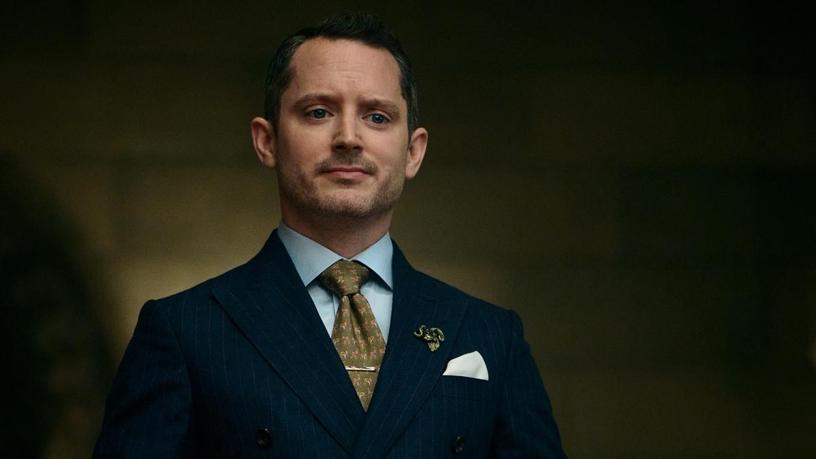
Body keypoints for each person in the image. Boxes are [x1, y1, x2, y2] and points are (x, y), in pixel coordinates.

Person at [94, 13, 566, 458]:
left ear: (413, 152)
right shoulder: (184, 332)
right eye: (318, 112)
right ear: (267, 141)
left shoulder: (491, 335)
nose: (348, 137)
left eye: (377, 117)